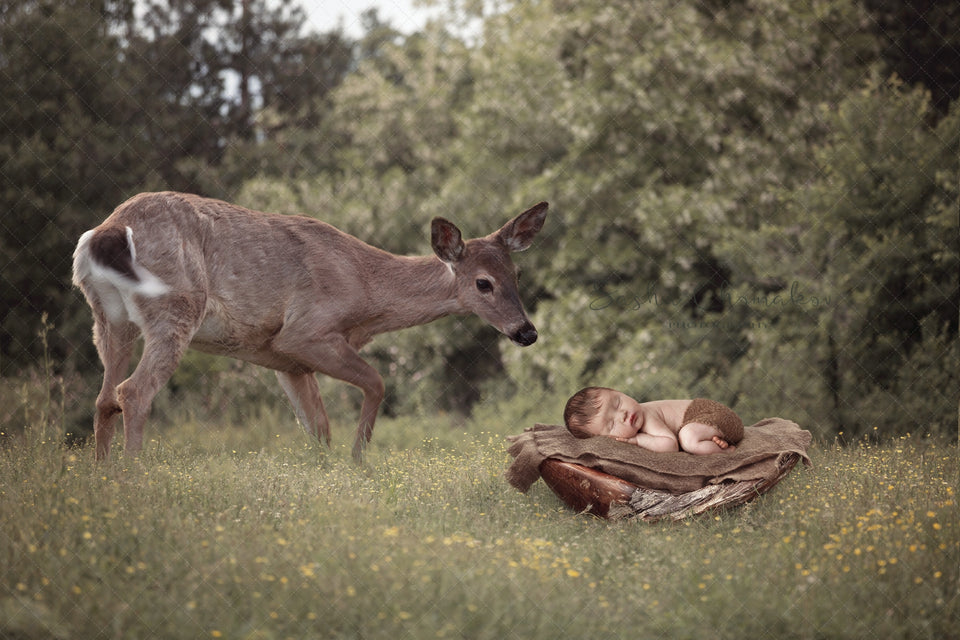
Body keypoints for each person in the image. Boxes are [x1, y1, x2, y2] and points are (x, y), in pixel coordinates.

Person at [563, 387, 743, 455]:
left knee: (688, 438)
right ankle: (711, 439)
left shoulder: (647, 415)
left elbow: (670, 445)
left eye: (617, 403)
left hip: (715, 415)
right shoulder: (634, 419)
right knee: (691, 435)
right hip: (708, 422)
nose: (623, 415)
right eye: (612, 425)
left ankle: (726, 453)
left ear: (619, 391)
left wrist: (637, 440)